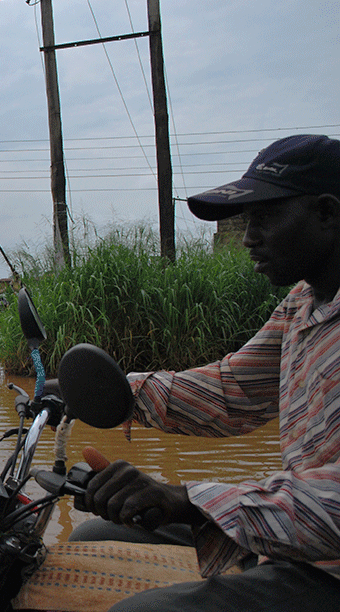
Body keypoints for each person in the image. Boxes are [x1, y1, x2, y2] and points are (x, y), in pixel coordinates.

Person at [67, 135, 340, 611]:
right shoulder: (303, 302)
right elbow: (233, 389)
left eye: (266, 216)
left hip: (330, 564)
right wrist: (120, 393)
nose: (250, 236)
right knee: (93, 533)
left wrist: (189, 499)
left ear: (326, 213)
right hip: (304, 541)